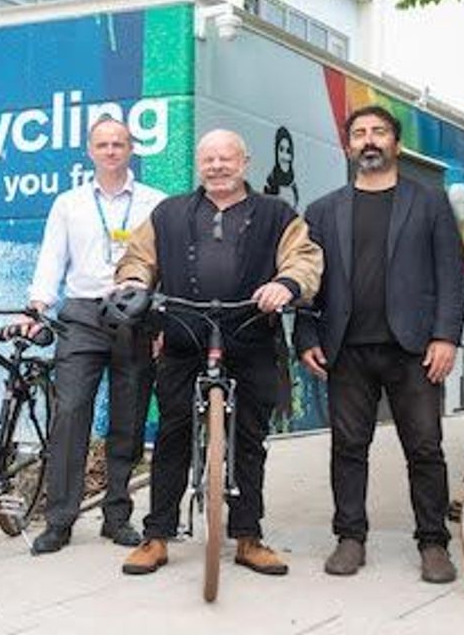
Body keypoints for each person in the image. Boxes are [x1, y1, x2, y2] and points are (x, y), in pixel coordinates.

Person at [114, 129, 322, 577]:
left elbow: (303, 259)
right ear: (199, 165)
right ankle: (156, 536)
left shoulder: (276, 213)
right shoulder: (167, 213)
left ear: (244, 161)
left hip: (250, 335)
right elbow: (138, 258)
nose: (217, 166)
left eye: (226, 158)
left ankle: (248, 537)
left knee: (249, 441)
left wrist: (285, 285)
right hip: (185, 336)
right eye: (208, 159)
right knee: (172, 437)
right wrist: (134, 283)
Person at [294, 104, 464, 584]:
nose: (369, 140)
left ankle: (433, 543)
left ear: (395, 143)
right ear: (348, 146)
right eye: (360, 134)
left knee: (425, 448)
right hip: (346, 348)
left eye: (379, 132)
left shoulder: (429, 202)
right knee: (349, 447)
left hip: (414, 349)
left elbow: (451, 274)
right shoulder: (323, 210)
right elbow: (310, 279)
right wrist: (305, 334)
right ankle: (350, 537)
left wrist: (445, 335)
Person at [25, 116, 166, 555]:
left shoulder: (154, 202)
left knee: (128, 417)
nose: (110, 151)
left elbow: (166, 263)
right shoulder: (69, 203)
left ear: (131, 149)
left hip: (135, 314)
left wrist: (162, 321)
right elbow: (52, 259)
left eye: (119, 144)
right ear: (90, 151)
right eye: (102, 144)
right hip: (83, 314)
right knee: (70, 413)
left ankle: (117, 516)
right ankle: (59, 520)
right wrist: (38, 306)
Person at [262, 126, 298, 208]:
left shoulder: (293, 185)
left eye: (288, 151)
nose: (285, 156)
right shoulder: (270, 184)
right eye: (281, 150)